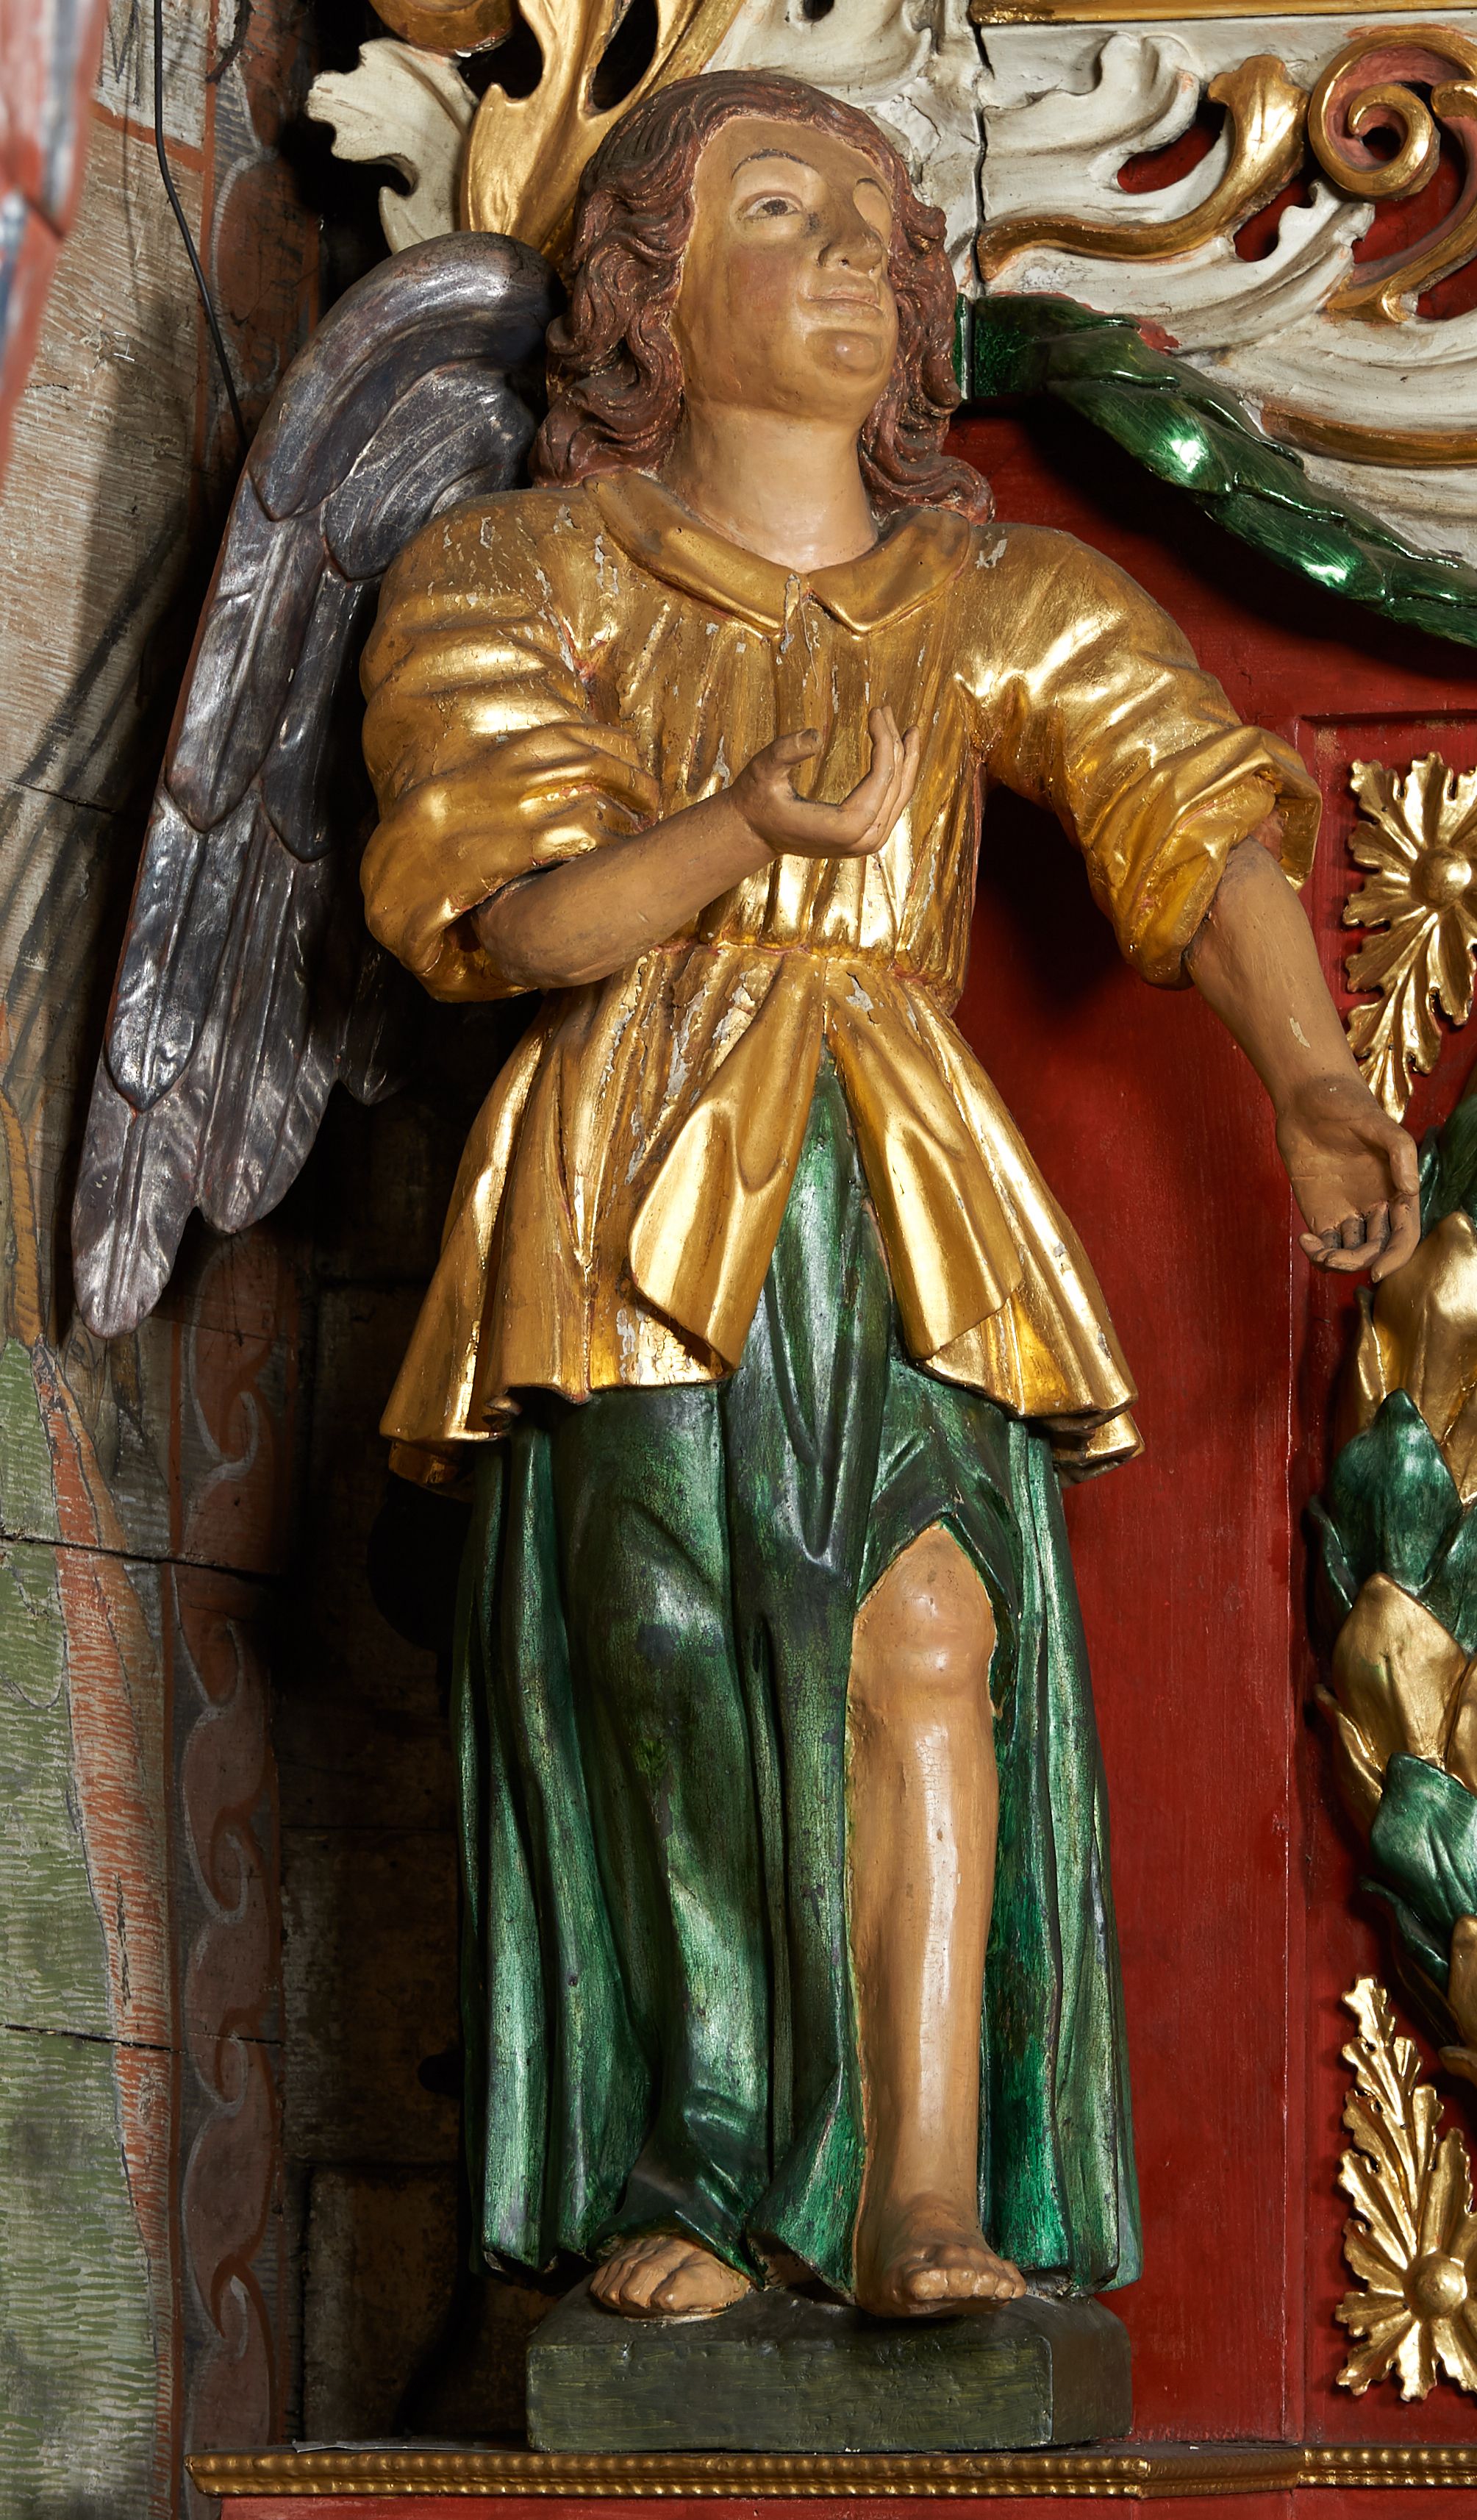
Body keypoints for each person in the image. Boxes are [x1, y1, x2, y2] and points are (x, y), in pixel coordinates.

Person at [357, 69, 1417, 2321]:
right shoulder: (514, 575)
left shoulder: (991, 592)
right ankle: (697, 2156)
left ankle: (925, 2190)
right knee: (660, 1657)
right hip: (627, 1168)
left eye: (881, 223)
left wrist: (1315, 1074)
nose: (858, 253)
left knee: (929, 1628)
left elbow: (1180, 805)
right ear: (643, 297)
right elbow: (510, 921)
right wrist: (738, 826)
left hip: (900, 1167)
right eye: (781, 209)